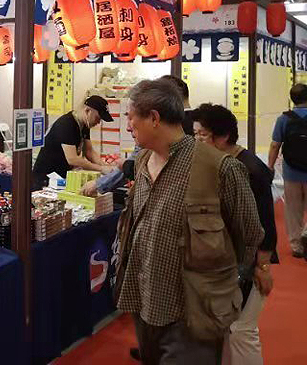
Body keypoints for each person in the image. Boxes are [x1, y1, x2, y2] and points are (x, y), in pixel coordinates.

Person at [116, 79, 263, 365]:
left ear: (154, 118)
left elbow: (249, 234)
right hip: (144, 301)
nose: (128, 126)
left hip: (193, 311)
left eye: (130, 117)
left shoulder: (220, 168)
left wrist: (222, 287)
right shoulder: (143, 161)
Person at [192, 103, 277, 365]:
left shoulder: (248, 170)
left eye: (202, 134)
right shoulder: (220, 162)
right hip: (227, 260)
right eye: (195, 134)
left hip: (249, 262)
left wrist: (262, 266)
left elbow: (265, 223)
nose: (197, 140)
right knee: (228, 329)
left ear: (223, 137)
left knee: (242, 330)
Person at [32, 95, 114, 190]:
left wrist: (106, 167)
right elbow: (72, 159)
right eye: (97, 118)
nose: (98, 122)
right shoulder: (67, 124)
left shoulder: (84, 125)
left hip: (61, 177)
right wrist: (101, 169)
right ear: (87, 111)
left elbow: (89, 152)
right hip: (45, 179)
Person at [268, 83, 307, 258]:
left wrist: (270, 167)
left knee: (292, 209)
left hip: (291, 171)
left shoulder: (284, 119)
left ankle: (296, 245)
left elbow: (275, 145)